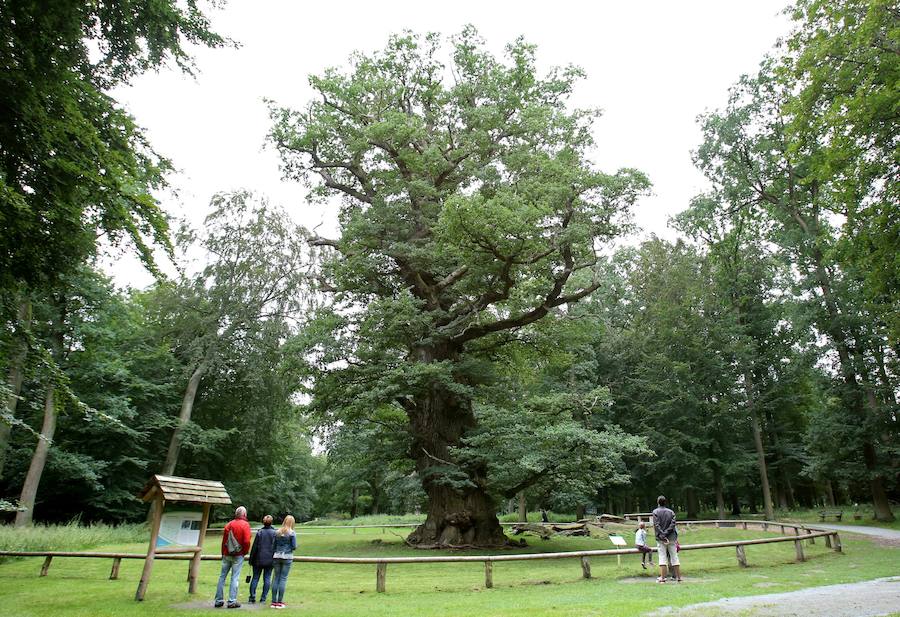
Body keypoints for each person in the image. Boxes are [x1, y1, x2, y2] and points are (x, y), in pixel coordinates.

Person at [215, 505, 252, 608]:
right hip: (238, 555)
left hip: (227, 553)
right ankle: (231, 601)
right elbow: (246, 541)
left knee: (222, 577)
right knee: (235, 578)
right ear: (244, 514)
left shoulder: (229, 524)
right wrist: (244, 551)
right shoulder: (245, 525)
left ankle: (218, 600)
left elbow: (224, 541)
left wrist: (223, 552)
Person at [651, 495, 681, 583]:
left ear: (658, 502)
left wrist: (663, 534)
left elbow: (656, 525)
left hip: (661, 538)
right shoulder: (671, 512)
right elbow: (673, 524)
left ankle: (663, 578)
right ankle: (678, 577)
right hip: (671, 537)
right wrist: (667, 533)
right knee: (674, 556)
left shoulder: (655, 512)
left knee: (662, 557)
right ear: (665, 502)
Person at [248, 515, 276, 604]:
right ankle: (263, 598)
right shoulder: (274, 533)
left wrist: (251, 560)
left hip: (258, 560)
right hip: (270, 560)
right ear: (271, 522)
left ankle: (252, 597)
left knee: (255, 578)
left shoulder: (260, 533)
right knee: (267, 578)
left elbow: (254, 547)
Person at [270, 515, 297, 609]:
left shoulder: (277, 532)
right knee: (283, 579)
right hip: (287, 556)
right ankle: (280, 602)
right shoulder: (292, 533)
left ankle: (273, 602)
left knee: (276, 578)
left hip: (277, 556)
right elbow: (294, 546)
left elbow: (273, 546)